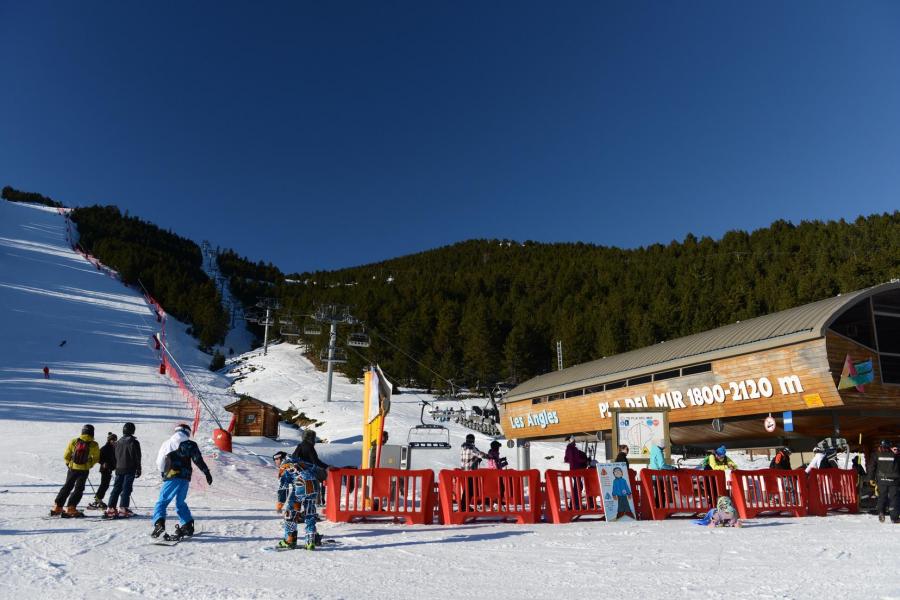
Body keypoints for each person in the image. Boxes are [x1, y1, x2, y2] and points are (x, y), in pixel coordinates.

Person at [151, 423, 212, 540]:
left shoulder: (167, 443)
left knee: (162, 501)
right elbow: (198, 460)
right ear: (188, 432)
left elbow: (160, 462)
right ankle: (188, 524)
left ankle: (159, 523)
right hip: (185, 477)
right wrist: (207, 473)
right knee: (180, 502)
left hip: (171, 476)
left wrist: (163, 472)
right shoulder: (191, 444)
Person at [273, 451, 321, 550]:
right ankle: (311, 540)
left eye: (275, 460)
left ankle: (290, 540)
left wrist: (280, 503)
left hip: (301, 487)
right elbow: (314, 469)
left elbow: (283, 488)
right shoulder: (299, 461)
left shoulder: (284, 466)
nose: (275, 463)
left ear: (279, 458)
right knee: (309, 513)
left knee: (290, 513)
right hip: (314, 487)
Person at [51, 424, 100, 517]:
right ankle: (71, 508)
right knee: (78, 488)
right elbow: (96, 458)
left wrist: (68, 463)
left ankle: (57, 506)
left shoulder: (74, 441)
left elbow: (66, 455)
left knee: (67, 486)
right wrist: (89, 464)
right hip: (84, 469)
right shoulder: (94, 444)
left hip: (72, 468)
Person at [106, 422, 141, 518]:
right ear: (132, 430)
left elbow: (115, 456)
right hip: (129, 468)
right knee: (126, 488)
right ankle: (123, 508)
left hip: (119, 468)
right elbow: (137, 457)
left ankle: (111, 508)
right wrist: (139, 468)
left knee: (116, 488)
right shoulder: (133, 442)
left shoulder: (118, 442)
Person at [868, 440, 900, 523]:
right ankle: (894, 518)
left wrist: (871, 478)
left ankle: (881, 512)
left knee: (882, 497)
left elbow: (872, 467)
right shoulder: (896, 455)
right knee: (894, 499)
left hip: (881, 480)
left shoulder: (876, 455)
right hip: (894, 481)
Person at [88, 433, 117, 509]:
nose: (114, 441)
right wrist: (103, 463)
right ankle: (97, 500)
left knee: (105, 485)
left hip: (109, 469)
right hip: (104, 469)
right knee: (104, 485)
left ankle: (98, 499)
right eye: (112, 440)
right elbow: (98, 458)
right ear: (109, 440)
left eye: (115, 440)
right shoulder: (105, 448)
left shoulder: (113, 448)